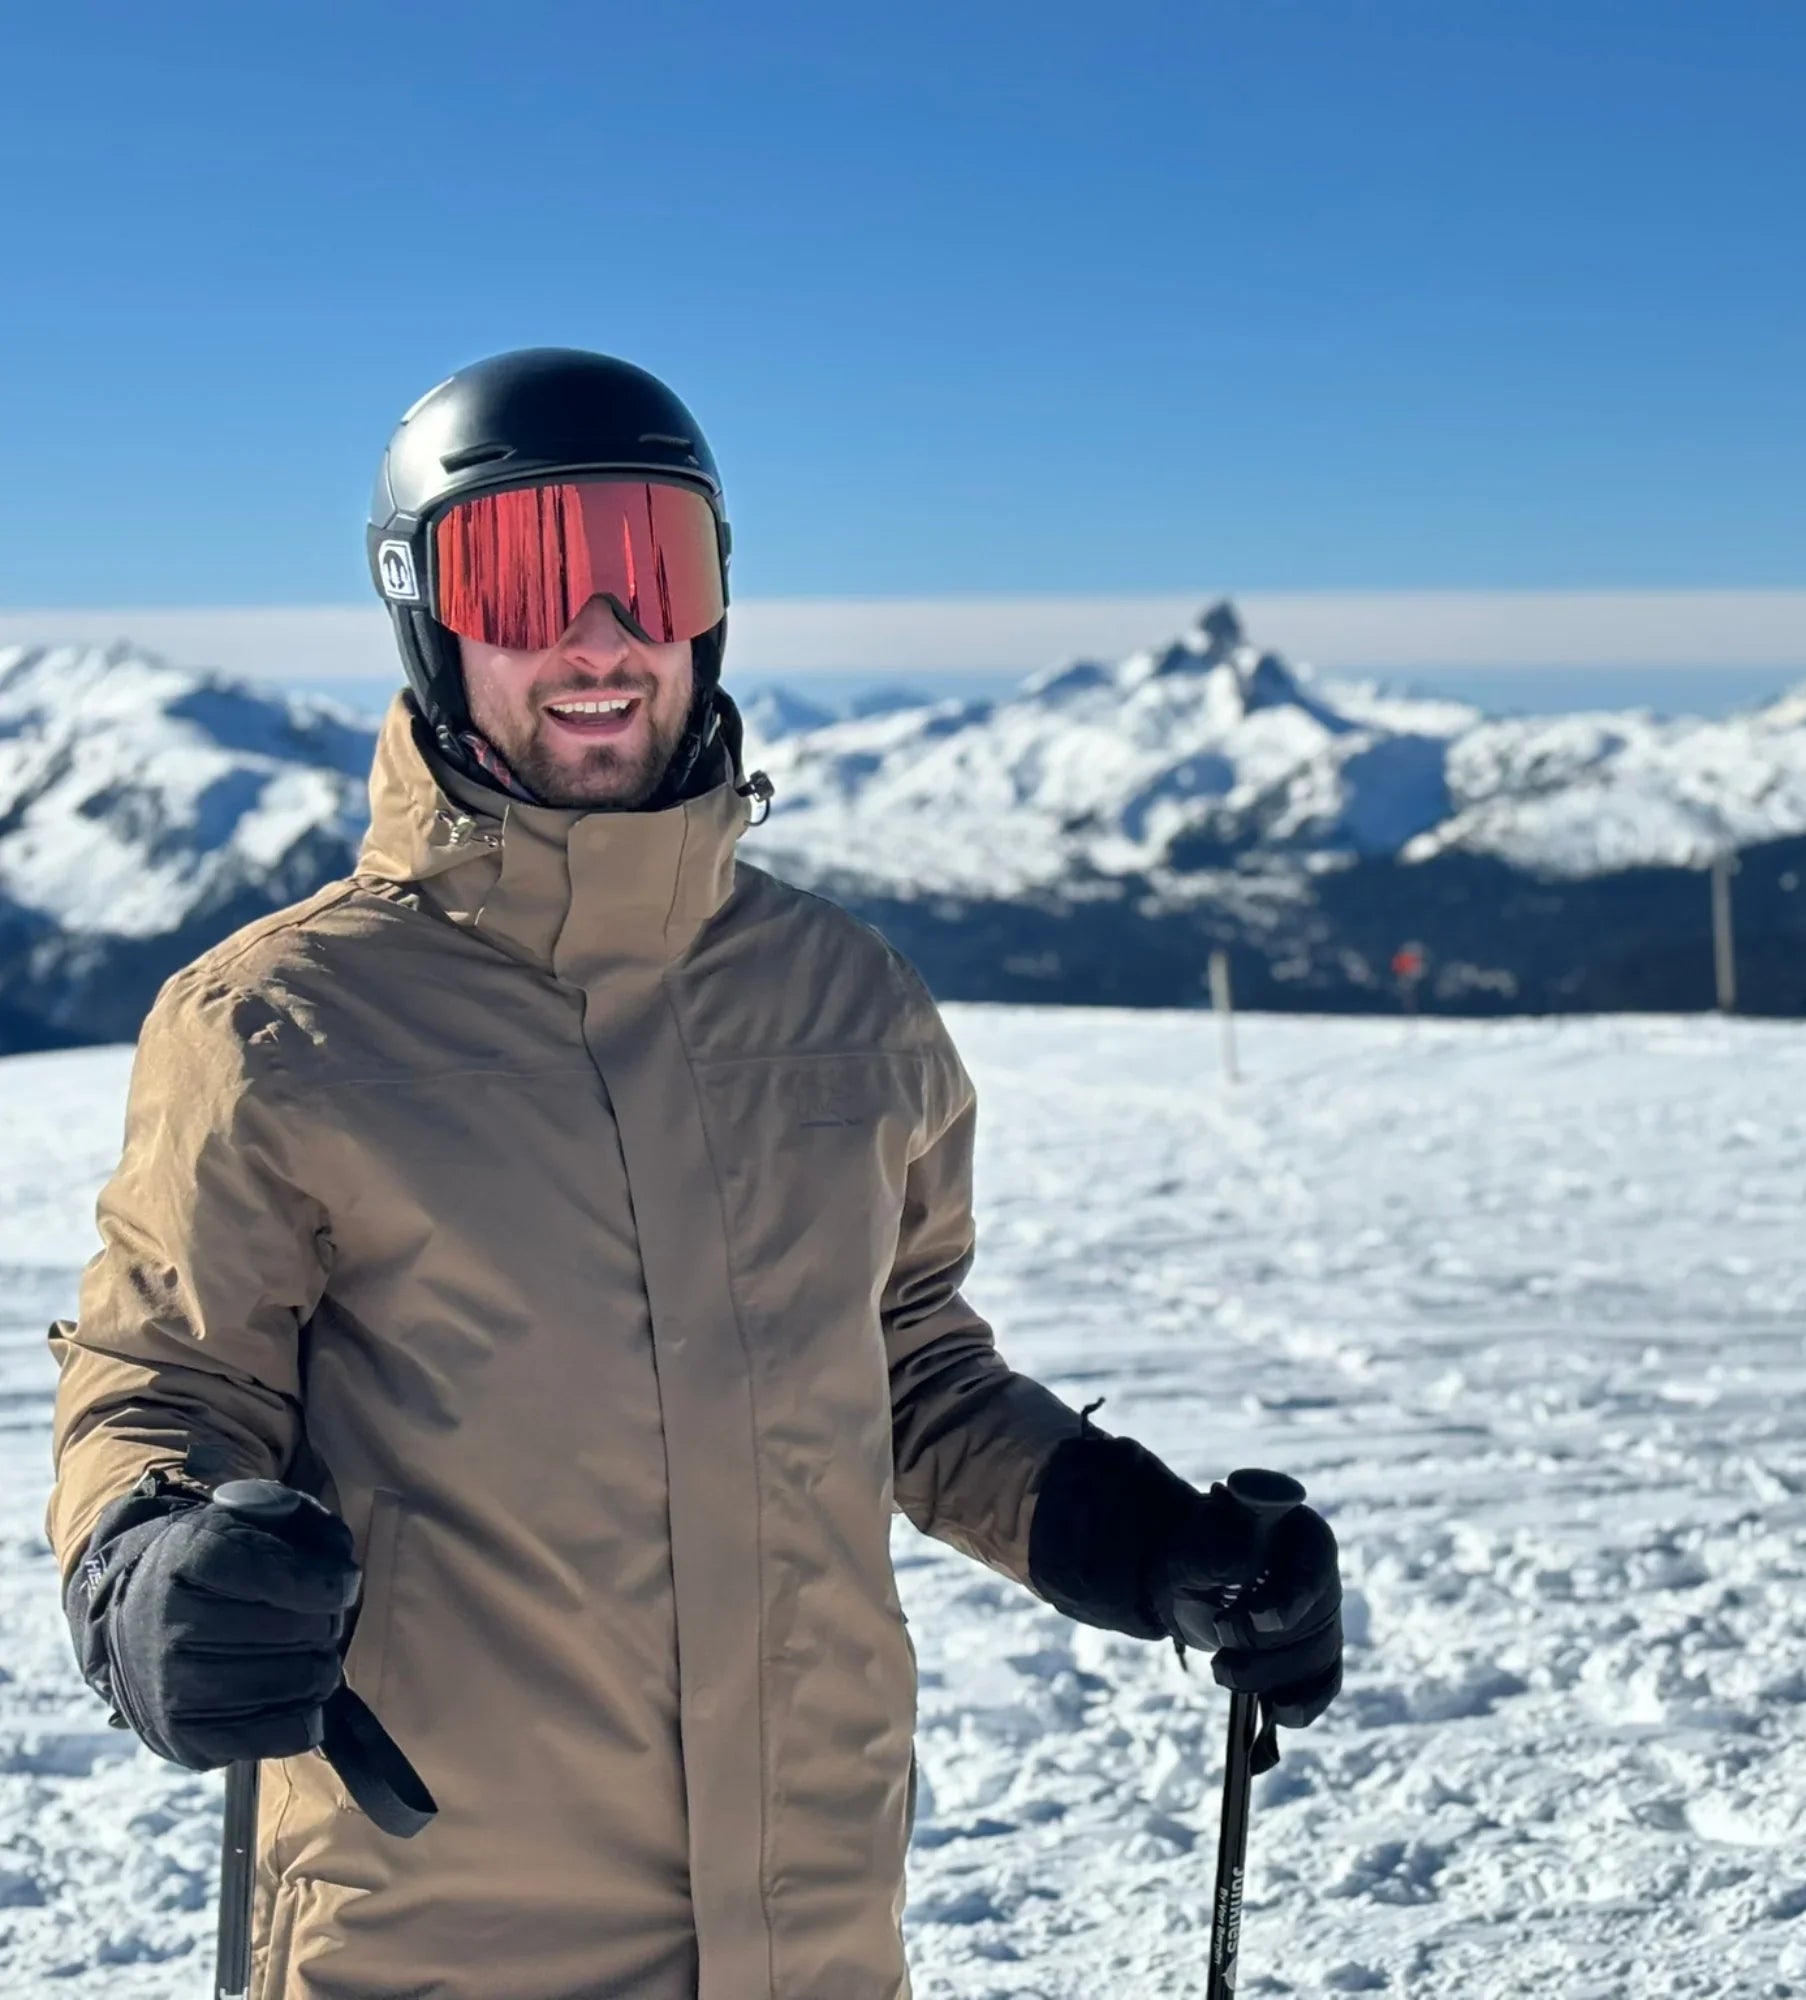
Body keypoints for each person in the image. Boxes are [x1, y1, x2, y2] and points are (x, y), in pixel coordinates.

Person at [46, 348, 1342, 1999]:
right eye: (520, 575)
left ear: (711, 601)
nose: (597, 636)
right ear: (425, 617)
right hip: (430, 1936)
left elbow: (907, 1374)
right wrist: (145, 1565)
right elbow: (158, 1385)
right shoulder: (275, 1026)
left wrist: (1151, 1541)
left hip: (809, 1933)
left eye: (649, 567)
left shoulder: (845, 1005)